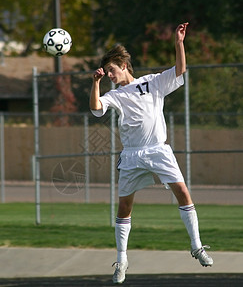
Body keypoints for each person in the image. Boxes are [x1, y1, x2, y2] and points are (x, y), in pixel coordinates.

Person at [89, 23, 213, 284]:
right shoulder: (116, 94)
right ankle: (121, 260)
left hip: (159, 151)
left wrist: (179, 43)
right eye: (107, 72)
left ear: (124, 65)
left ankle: (197, 246)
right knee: (124, 207)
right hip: (133, 155)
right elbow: (97, 108)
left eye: (111, 70)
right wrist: (96, 83)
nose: (110, 75)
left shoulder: (153, 82)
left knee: (183, 192)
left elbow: (180, 71)